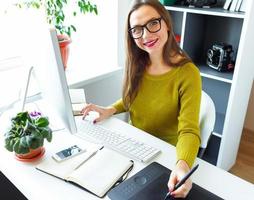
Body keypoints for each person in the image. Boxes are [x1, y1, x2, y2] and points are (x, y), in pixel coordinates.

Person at [81, 0, 201, 198]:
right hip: (135, 148)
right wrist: (109, 109)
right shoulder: (138, 62)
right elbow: (132, 100)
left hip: (165, 155)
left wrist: (182, 164)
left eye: (153, 23)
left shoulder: (188, 73)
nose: (146, 35)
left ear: (167, 23)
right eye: (137, 29)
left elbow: (189, 130)